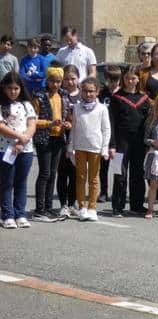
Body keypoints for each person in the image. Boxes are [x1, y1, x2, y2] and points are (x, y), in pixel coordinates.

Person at [65, 76, 111, 222]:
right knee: (80, 177)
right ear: (81, 92)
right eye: (85, 91)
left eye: (91, 91)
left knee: (93, 179)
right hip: (80, 147)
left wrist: (105, 148)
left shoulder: (102, 108)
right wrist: (70, 146)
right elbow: (74, 128)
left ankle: (92, 207)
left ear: (97, 92)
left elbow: (106, 129)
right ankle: (82, 206)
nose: (88, 94)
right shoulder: (77, 107)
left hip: (95, 148)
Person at [108, 65, 150, 216]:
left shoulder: (144, 98)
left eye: (133, 78)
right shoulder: (117, 98)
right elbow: (112, 122)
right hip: (121, 141)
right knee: (120, 173)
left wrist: (148, 142)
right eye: (127, 78)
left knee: (138, 173)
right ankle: (118, 206)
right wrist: (112, 144)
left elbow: (148, 122)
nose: (130, 81)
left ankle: (136, 205)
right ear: (123, 79)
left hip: (139, 141)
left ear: (138, 79)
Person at [31, 67, 69, 222]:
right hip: (44, 138)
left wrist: (67, 124)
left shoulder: (64, 95)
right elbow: (33, 119)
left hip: (59, 138)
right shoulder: (39, 96)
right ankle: (39, 209)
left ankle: (48, 207)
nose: (55, 84)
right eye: (52, 81)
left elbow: (68, 117)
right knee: (45, 173)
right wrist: (49, 123)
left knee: (53, 174)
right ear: (47, 80)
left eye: (58, 81)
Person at [0, 71, 37, 229]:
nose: (13, 91)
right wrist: (19, 137)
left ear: (21, 88)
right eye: (10, 88)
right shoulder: (2, 105)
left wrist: (23, 140)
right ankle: (7, 215)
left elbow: (32, 125)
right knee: (6, 182)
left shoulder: (27, 105)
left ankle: (20, 214)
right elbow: (1, 127)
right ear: (4, 88)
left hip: (25, 150)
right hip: (5, 149)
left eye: (16, 88)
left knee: (21, 182)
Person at [56, 64, 80, 217]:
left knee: (75, 173)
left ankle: (72, 203)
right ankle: (63, 204)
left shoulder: (83, 94)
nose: (70, 82)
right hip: (61, 138)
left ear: (78, 79)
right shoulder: (58, 94)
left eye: (73, 78)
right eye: (66, 79)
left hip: (78, 139)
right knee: (62, 172)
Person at [97, 64, 121, 203]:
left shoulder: (122, 94)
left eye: (116, 80)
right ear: (106, 79)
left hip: (119, 135)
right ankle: (103, 191)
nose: (113, 83)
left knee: (118, 166)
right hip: (104, 134)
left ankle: (117, 193)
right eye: (110, 80)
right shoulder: (102, 94)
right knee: (103, 166)